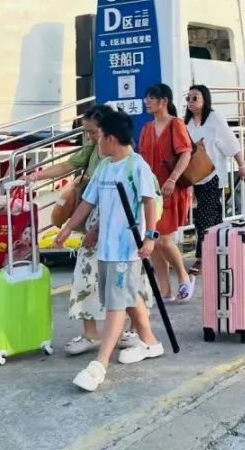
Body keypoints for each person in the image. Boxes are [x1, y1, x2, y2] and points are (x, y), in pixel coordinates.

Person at [54, 109, 164, 392]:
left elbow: (149, 202)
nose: (95, 141)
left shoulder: (136, 166)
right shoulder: (104, 167)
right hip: (106, 247)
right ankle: (151, 343)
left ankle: (99, 365)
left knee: (116, 304)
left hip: (126, 249)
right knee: (126, 295)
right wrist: (68, 229)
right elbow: (87, 203)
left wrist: (150, 237)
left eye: (99, 136)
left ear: (111, 138)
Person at [29, 105, 141, 356]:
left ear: (108, 133)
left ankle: (132, 333)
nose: (89, 137)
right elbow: (75, 176)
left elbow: (135, 202)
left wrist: (95, 230)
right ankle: (96, 333)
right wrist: (36, 177)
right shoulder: (97, 152)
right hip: (96, 223)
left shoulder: (128, 162)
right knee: (89, 277)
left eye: (93, 132)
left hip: (118, 230)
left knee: (123, 281)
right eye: (87, 132)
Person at [138, 83, 195, 303]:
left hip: (170, 190)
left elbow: (185, 153)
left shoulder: (175, 124)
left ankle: (184, 277)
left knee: (162, 239)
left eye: (151, 98)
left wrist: (172, 179)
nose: (147, 101)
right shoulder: (146, 128)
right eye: (147, 97)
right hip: (151, 192)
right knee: (152, 241)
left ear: (164, 101)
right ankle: (165, 290)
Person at [184, 85, 245, 276]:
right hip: (195, 176)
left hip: (213, 175)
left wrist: (241, 165)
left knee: (204, 216)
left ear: (205, 99)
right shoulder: (187, 123)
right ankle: (220, 252)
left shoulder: (214, 119)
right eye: (188, 98)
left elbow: (231, 143)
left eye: (195, 98)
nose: (191, 102)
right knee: (213, 216)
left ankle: (202, 257)